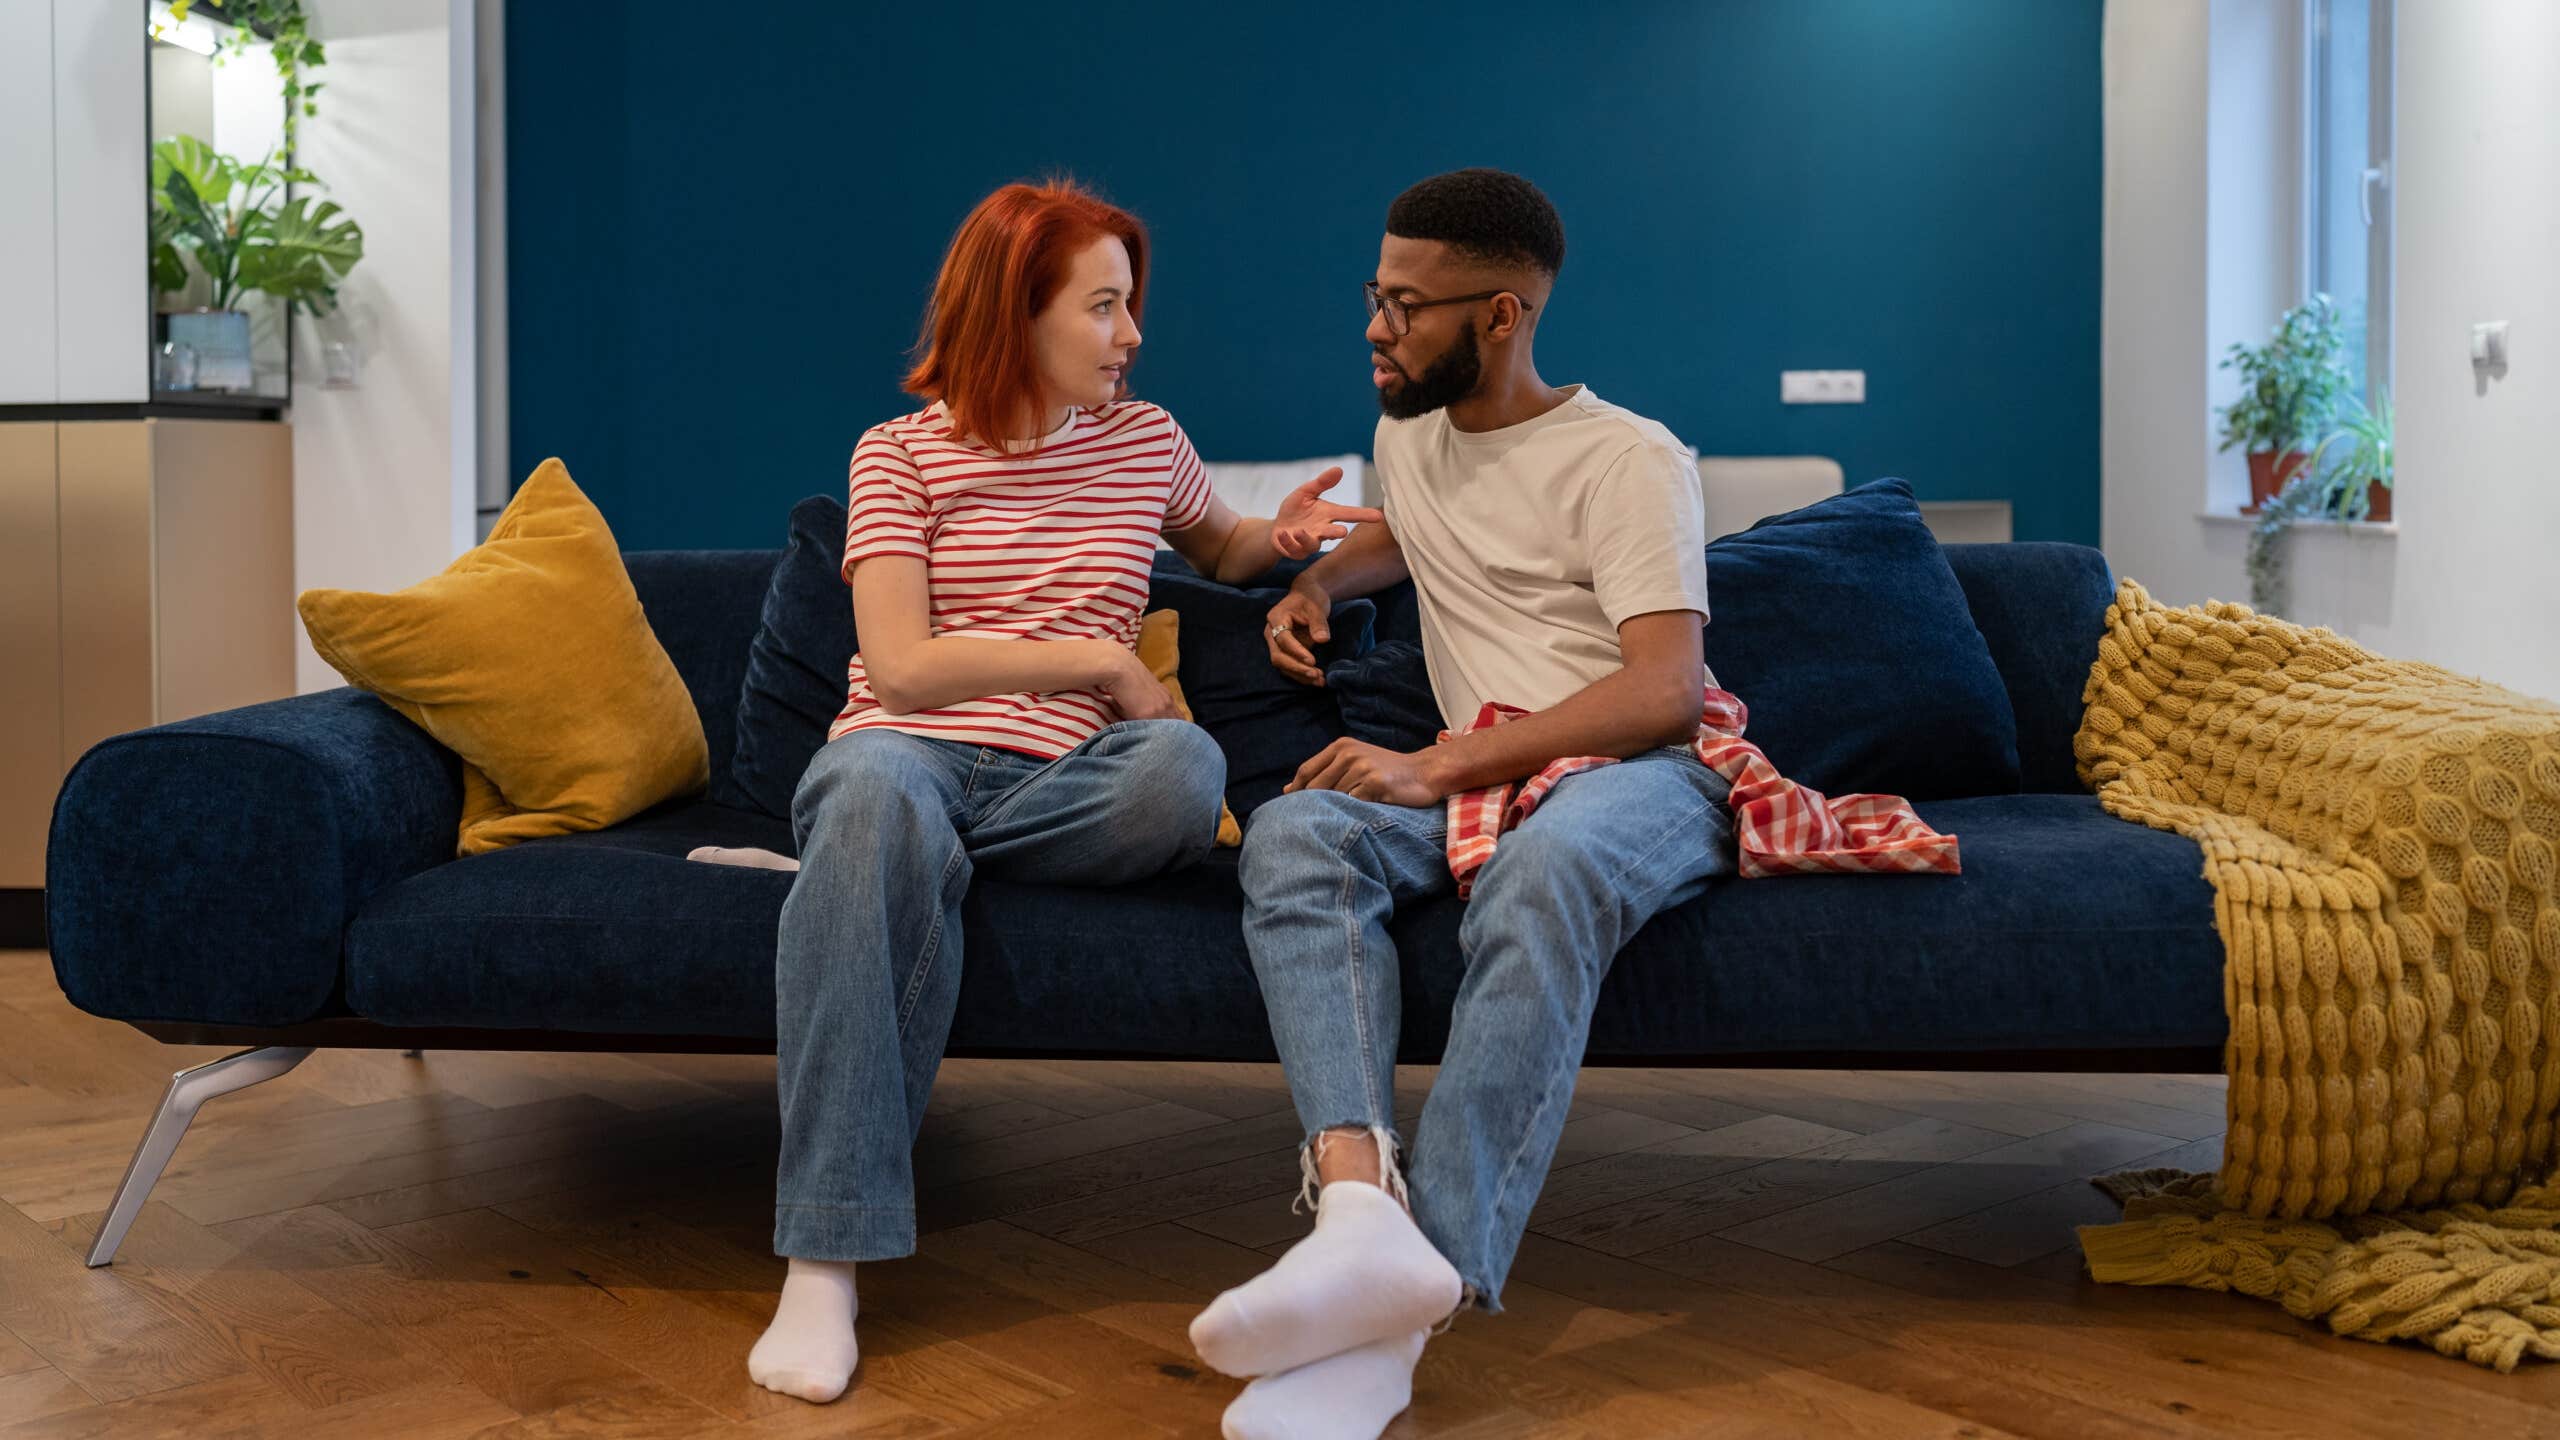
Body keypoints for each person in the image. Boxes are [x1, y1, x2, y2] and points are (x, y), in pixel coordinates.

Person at [747, 178, 1380, 1405]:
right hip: (906, 751)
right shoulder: (900, 455)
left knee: (1185, 765)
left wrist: (1288, 538)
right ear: (1015, 311)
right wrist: (1099, 657)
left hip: (1070, 786)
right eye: (1103, 307)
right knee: (875, 797)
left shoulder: (1145, 439)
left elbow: (1222, 549)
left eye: (1130, 306)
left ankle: (905, 873)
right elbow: (904, 664)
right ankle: (822, 1257)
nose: (1131, 335)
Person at [1190, 169, 1733, 1440]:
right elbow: (1424, 531)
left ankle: (1404, 1315)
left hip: (1640, 776)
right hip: (1486, 777)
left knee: (1550, 868)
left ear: (1501, 315)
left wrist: (1438, 766)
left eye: (1405, 308)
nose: (1375, 330)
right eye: (1373, 298)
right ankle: (1357, 1212)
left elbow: (1666, 691)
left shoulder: (1628, 457)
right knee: (1295, 831)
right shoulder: (1409, 435)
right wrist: (1321, 584)